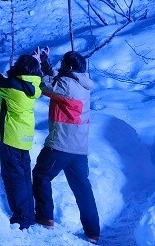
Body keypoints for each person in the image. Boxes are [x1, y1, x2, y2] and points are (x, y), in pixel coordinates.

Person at [33, 48, 100, 243]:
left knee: (41, 175)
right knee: (83, 189)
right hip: (80, 149)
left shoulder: (66, 84)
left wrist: (37, 64)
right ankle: (92, 232)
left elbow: (45, 86)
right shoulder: (82, 84)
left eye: (62, 63)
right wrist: (46, 63)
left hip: (61, 144)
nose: (60, 66)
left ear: (68, 67)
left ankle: (45, 218)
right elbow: (57, 80)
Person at [0, 45, 44, 230]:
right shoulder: (33, 85)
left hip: (11, 138)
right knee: (23, 178)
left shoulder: (15, 88)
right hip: (24, 138)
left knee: (14, 179)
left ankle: (22, 217)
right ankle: (29, 214)